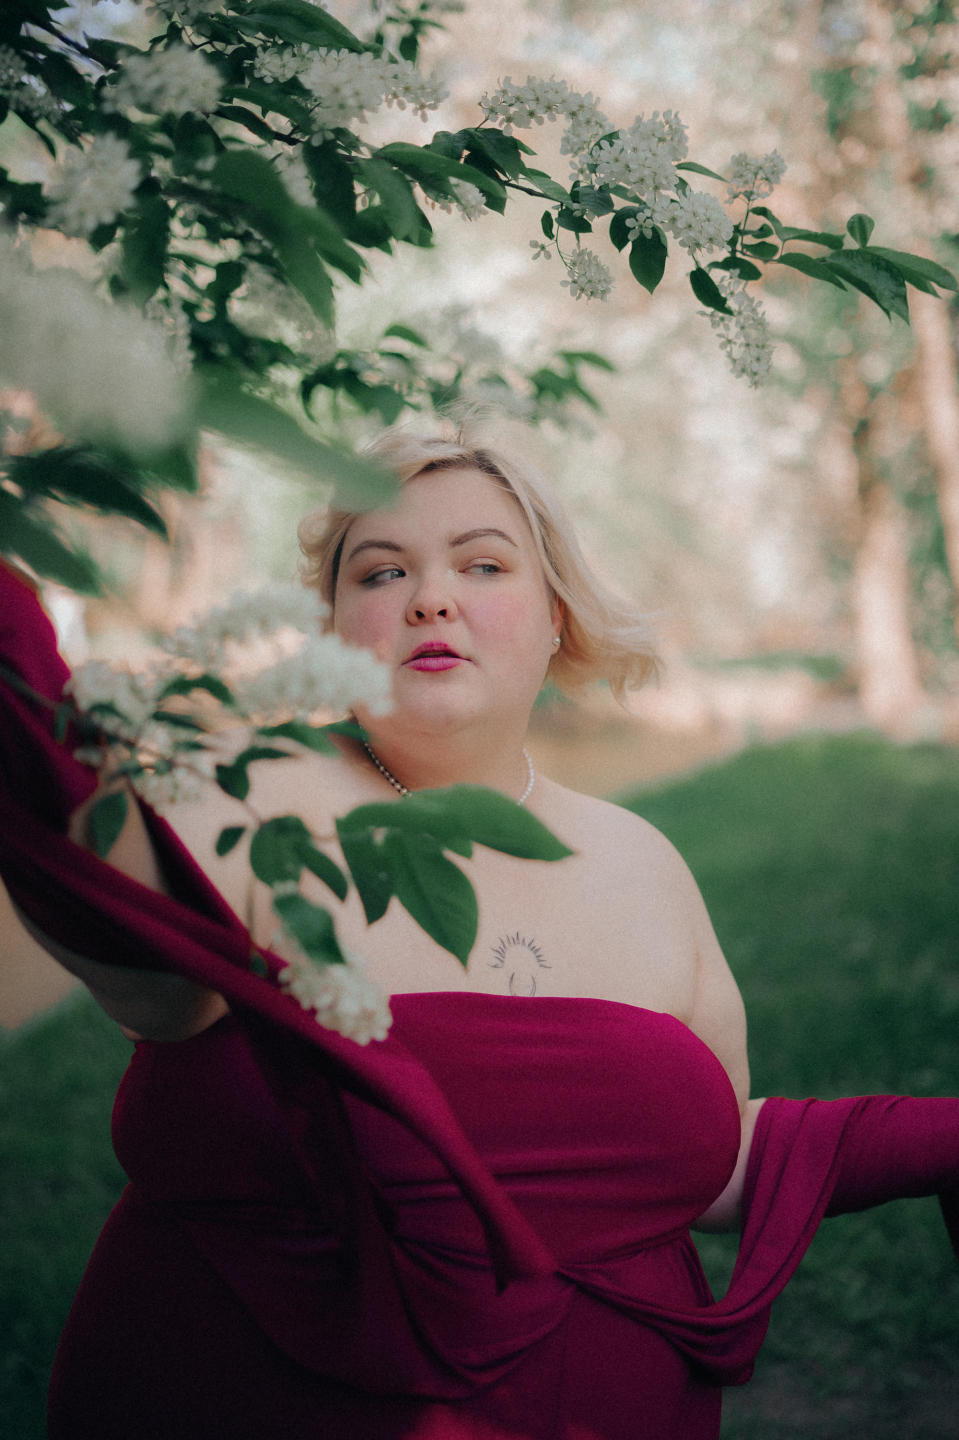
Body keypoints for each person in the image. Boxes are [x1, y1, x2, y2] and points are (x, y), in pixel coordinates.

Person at [0, 418, 957, 1440]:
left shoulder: (642, 863)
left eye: (483, 564)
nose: (430, 598)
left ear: (554, 615)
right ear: (332, 631)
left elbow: (705, 1160)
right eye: (381, 573)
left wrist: (933, 1139)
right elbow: (126, 939)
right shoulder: (242, 803)